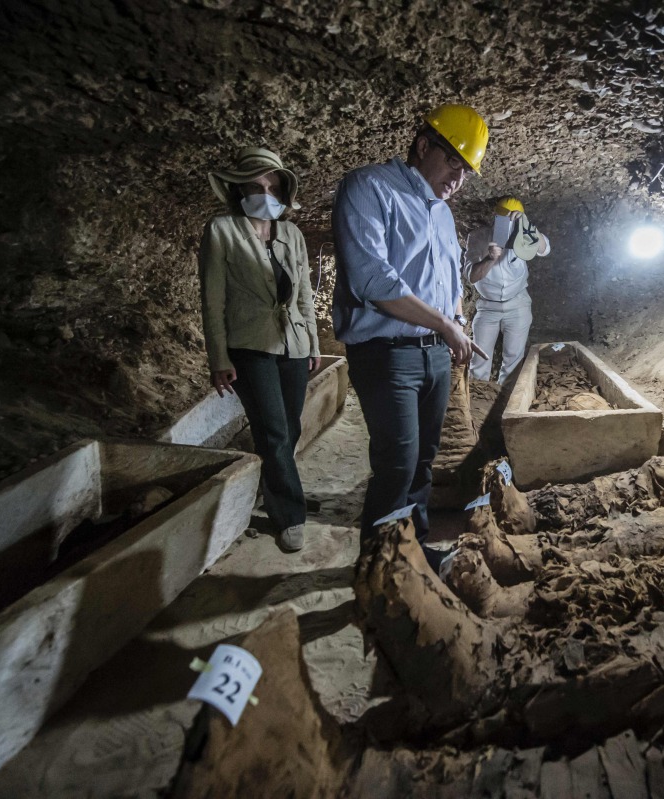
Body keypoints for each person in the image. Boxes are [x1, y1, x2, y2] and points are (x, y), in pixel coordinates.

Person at [332, 104, 489, 565]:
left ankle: (412, 557)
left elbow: (450, 284)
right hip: (386, 353)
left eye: (467, 172)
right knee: (397, 464)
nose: (458, 179)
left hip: (434, 354)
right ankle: (379, 570)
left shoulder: (442, 214)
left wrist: (456, 324)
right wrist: (444, 324)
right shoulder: (369, 187)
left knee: (422, 462)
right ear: (423, 146)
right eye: (454, 163)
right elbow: (372, 280)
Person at [200, 147, 320, 553]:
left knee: (290, 428)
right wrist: (218, 357)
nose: (265, 195)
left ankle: (277, 490)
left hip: (293, 344)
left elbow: (304, 295)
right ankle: (290, 514)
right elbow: (213, 300)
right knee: (273, 430)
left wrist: (312, 343)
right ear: (239, 191)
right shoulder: (222, 231)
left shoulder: (292, 235)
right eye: (255, 187)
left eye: (272, 187)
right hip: (249, 344)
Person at [465, 196, 550, 383]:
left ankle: (507, 397)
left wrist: (526, 225)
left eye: (512, 218)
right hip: (488, 307)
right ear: (495, 217)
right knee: (479, 359)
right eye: (504, 218)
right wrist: (490, 259)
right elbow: (472, 276)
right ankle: (478, 397)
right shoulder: (478, 237)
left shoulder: (525, 236)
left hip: (517, 304)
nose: (508, 223)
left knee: (513, 360)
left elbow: (545, 249)